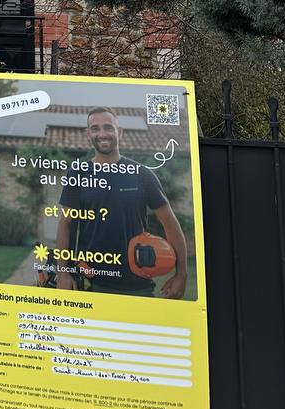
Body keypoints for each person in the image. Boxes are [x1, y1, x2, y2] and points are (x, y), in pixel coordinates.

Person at [54, 106, 187, 298]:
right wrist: (62, 272)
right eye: (95, 128)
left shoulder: (142, 174)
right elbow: (65, 224)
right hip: (91, 283)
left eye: (108, 127)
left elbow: (171, 224)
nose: (102, 134)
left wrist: (181, 274)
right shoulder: (78, 173)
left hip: (137, 284)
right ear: (88, 134)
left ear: (120, 132)